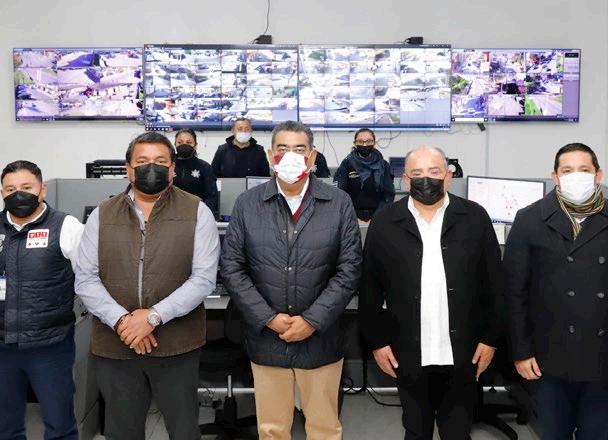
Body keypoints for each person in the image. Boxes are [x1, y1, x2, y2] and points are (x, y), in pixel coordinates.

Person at [221, 120, 362, 439]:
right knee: (272, 429)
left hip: (321, 339)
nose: (291, 156)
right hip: (267, 339)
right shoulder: (248, 204)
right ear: (271, 156)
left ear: (312, 158)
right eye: (282, 149)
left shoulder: (338, 203)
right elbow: (232, 268)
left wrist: (311, 320)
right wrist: (268, 318)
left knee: (324, 428)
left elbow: (350, 269)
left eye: (299, 149)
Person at [75, 132, 220, 440]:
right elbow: (86, 278)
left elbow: (203, 278)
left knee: (183, 431)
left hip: (177, 346)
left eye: (160, 161)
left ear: (172, 170)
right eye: (142, 161)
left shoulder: (197, 211)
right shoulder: (102, 214)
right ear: (128, 169)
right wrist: (123, 321)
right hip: (116, 345)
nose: (150, 168)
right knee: (121, 431)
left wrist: (152, 317)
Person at [358, 146, 502, 440]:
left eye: (434, 172)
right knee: (416, 430)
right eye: (418, 173)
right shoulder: (385, 221)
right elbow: (370, 287)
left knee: (458, 432)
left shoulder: (474, 217)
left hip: (463, 352)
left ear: (448, 176)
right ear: (406, 180)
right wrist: (377, 342)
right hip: (408, 351)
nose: (426, 179)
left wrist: (490, 339)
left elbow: (495, 285)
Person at [503, 142, 608, 439]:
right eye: (567, 170)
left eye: (584, 170)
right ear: (555, 176)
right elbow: (514, 293)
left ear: (598, 175)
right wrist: (521, 352)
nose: (576, 176)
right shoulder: (530, 219)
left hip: (602, 357)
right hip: (548, 357)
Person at [0, 160, 84, 440]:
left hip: (50, 346)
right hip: (2, 346)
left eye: (26, 187)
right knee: (5, 427)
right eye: (10, 189)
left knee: (60, 426)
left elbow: (89, 278)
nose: (18, 194)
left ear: (42, 190)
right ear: (2, 193)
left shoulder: (66, 226)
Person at [334, 128, 395, 221]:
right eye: (360, 141)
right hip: (351, 217)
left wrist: (377, 218)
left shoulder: (384, 165)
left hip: (379, 217)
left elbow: (388, 195)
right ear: (355, 143)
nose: (365, 144)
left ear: (374, 143)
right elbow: (340, 193)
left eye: (369, 141)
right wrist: (352, 217)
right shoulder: (346, 164)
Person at [173, 128, 219, 217]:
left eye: (189, 142)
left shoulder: (204, 167)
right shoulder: (168, 165)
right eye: (180, 142)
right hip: (170, 214)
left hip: (197, 214)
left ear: (195, 145)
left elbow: (211, 196)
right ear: (175, 144)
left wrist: (206, 216)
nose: (184, 145)